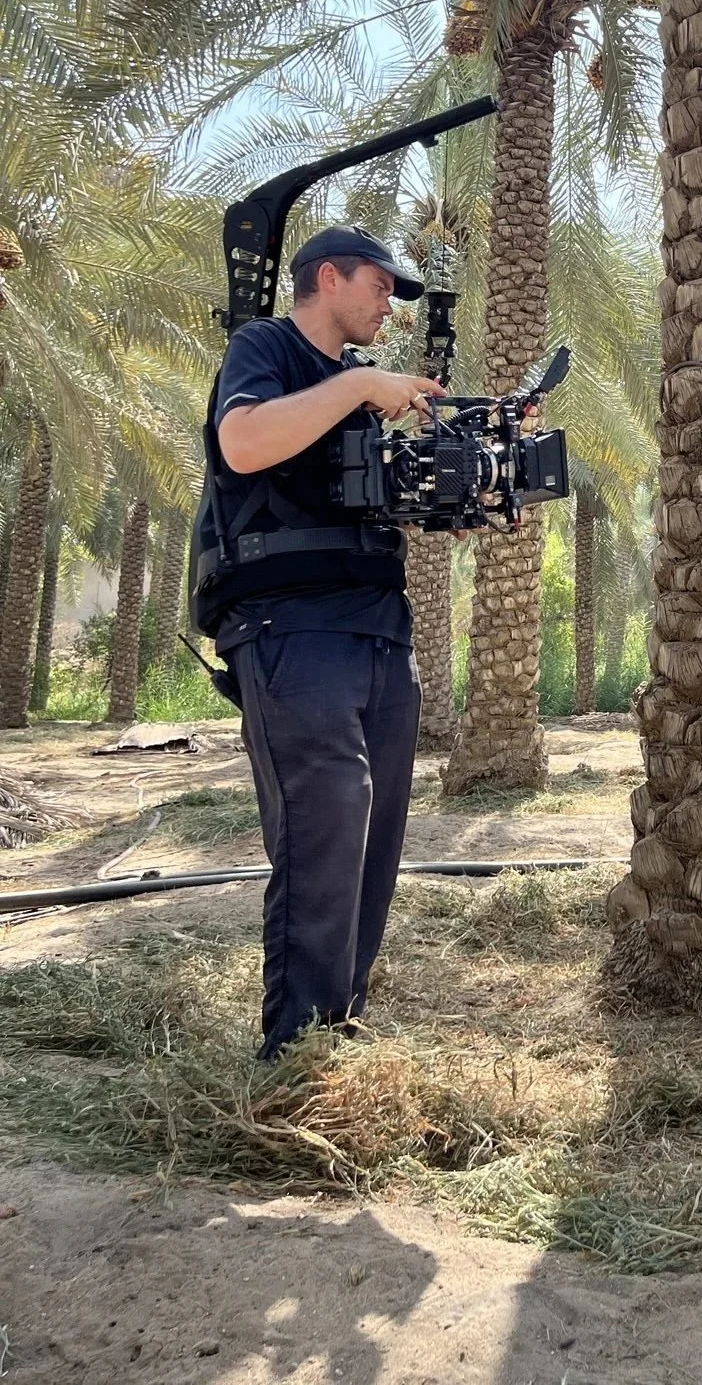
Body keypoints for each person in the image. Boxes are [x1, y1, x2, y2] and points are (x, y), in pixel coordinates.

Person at [193, 226, 447, 1059]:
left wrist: (473, 478)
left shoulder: (354, 391)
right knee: (326, 826)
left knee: (374, 841)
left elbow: (381, 501)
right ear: (327, 277)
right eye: (380, 284)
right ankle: (293, 1056)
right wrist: (363, 386)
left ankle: (336, 1039)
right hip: (289, 630)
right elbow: (244, 442)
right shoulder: (264, 347)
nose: (389, 302)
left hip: (379, 629)